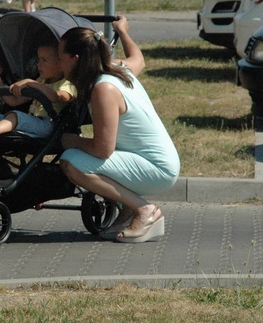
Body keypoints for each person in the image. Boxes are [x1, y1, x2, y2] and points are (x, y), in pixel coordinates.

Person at [57, 16, 180, 243]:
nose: (58, 64)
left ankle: (144, 210)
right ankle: (127, 210)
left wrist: (71, 140)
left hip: (156, 168)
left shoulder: (103, 89)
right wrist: (122, 32)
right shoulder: (113, 68)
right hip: (159, 161)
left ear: (76, 59)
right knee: (80, 156)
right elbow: (139, 60)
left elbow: (103, 149)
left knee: (71, 161)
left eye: (60, 57)